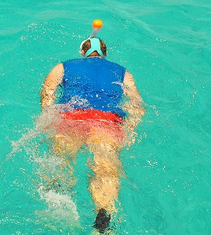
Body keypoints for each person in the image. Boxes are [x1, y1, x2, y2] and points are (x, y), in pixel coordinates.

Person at [39, 21, 144, 233]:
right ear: (104, 54)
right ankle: (102, 222)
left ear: (83, 51)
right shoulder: (123, 73)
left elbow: (47, 92)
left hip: (71, 119)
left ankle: (57, 205)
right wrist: (131, 130)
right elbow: (137, 106)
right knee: (105, 170)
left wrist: (47, 118)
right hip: (106, 123)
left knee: (60, 160)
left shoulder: (63, 66)